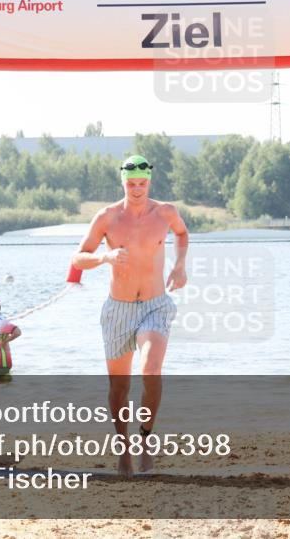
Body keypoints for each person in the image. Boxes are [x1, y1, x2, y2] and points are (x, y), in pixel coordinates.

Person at [71, 154, 189, 476]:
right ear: (122, 182)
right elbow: (78, 258)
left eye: (143, 183)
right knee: (119, 387)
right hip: (118, 309)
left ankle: (146, 440)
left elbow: (182, 233)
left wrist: (179, 265)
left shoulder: (165, 212)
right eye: (131, 184)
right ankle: (122, 445)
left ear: (150, 181)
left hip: (154, 304)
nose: (137, 190)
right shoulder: (107, 218)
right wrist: (105, 257)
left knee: (150, 371)